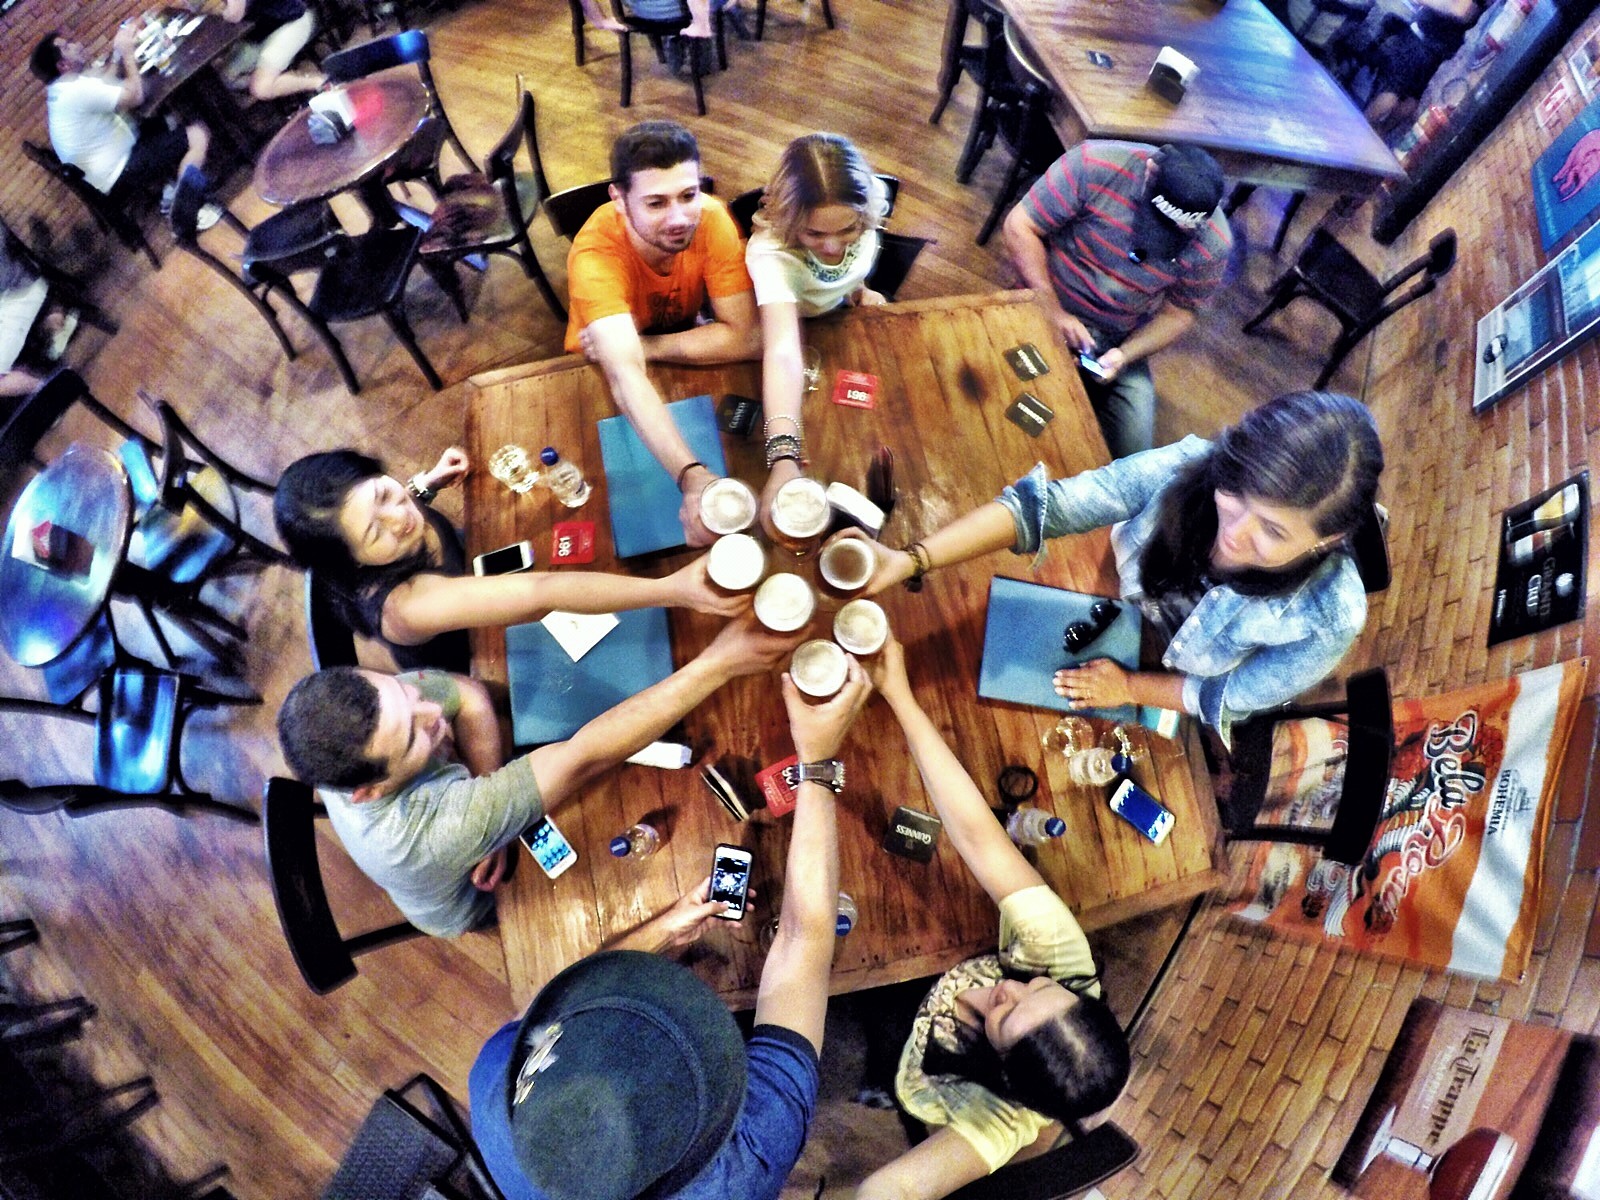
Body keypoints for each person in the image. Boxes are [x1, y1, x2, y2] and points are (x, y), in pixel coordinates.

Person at [467, 656, 874, 1200]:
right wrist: (818, 762)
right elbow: (803, 941)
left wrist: (666, 928)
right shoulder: (743, 1168)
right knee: (846, 1048)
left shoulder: (497, 1087)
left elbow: (558, 996)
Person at [850, 391, 1385, 743]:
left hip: (1169, 673)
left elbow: (1229, 696)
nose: (1235, 533)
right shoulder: (1192, 463)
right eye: (1236, 493)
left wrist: (1129, 688)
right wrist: (911, 559)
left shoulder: (1329, 618)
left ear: (1329, 539)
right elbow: (1052, 507)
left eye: (1273, 531)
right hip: (1115, 587)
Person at [276, 612, 805, 937]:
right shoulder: (430, 832)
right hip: (474, 901)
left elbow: (468, 694)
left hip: (471, 842)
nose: (431, 712)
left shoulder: (375, 716)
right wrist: (718, 664)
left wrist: (490, 807)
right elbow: (582, 756)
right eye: (414, 735)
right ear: (367, 790)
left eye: (407, 692)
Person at [855, 632, 1130, 1200]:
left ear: (1003, 1069)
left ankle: (879, 1077)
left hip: (915, 1042)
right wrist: (901, 696)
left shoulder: (1002, 1120)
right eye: (1040, 987)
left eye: (1007, 1016)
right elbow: (980, 837)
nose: (1012, 988)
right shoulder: (1068, 967)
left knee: (868, 1014)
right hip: (937, 960)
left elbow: (886, 1191)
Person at [274, 446, 746, 673]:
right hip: (480, 656)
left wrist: (427, 482)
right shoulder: (409, 606)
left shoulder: (393, 515)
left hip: (476, 580)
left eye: (383, 493)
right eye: (374, 532)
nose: (399, 517)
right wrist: (673, 589)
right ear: (354, 562)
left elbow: (391, 505)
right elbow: (542, 593)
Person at [567, 120, 760, 547]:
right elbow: (624, 375)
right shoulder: (595, 252)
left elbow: (748, 338)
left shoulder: (712, 216)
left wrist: (646, 347)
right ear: (619, 200)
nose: (679, 218)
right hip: (601, 375)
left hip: (666, 350)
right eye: (656, 203)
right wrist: (691, 477)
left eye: (688, 195)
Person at [1002, 141, 1231, 459]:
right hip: (1043, 301)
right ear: (1150, 172)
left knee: (1134, 456)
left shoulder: (1214, 242)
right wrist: (1052, 310)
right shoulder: (1093, 164)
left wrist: (1124, 355)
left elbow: (1180, 313)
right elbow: (1019, 226)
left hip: (1116, 337)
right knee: (1003, 399)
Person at [747, 133, 889, 536]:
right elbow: (782, 351)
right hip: (793, 335)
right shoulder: (770, 253)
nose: (832, 247)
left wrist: (859, 289)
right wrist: (783, 458)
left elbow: (847, 267)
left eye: (847, 230)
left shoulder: (872, 196)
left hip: (841, 321)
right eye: (813, 234)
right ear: (790, 221)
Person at [31, 25, 218, 228]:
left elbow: (105, 80)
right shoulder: (75, 91)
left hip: (107, 170)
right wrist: (128, 54)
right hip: (120, 173)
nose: (77, 45)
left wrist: (118, 54)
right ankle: (184, 212)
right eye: (68, 46)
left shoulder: (62, 90)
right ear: (63, 65)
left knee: (166, 119)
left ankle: (173, 190)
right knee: (198, 133)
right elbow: (136, 96)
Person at [219, 0, 325, 101]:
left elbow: (234, 14)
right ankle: (288, 73)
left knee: (261, 88)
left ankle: (320, 81)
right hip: (261, 27)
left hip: (297, 15)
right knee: (226, 78)